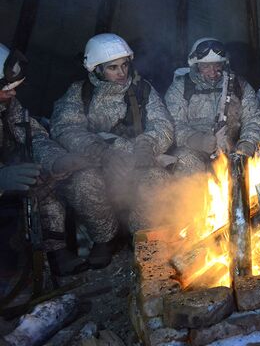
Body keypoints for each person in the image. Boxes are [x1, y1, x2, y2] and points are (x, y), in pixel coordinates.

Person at [51, 33, 174, 269]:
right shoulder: (80, 93)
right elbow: (65, 128)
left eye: (125, 65)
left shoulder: (142, 90)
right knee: (83, 183)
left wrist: (148, 144)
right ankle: (104, 240)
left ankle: (143, 238)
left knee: (156, 180)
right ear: (96, 70)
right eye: (113, 68)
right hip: (98, 163)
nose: (122, 73)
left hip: (137, 161)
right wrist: (100, 152)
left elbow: (163, 124)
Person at [0, 43, 89, 276]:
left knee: (43, 184)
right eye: (7, 87)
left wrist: (56, 160)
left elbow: (35, 135)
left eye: (15, 86)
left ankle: (55, 255)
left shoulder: (8, 104)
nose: (13, 93)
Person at [165, 37, 260, 175]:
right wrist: (198, 140)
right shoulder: (181, 87)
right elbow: (173, 123)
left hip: (232, 146)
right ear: (196, 65)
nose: (212, 72)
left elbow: (253, 118)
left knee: (249, 168)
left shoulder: (239, 85)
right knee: (187, 161)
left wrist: (247, 143)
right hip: (193, 149)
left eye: (217, 65)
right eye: (206, 66)